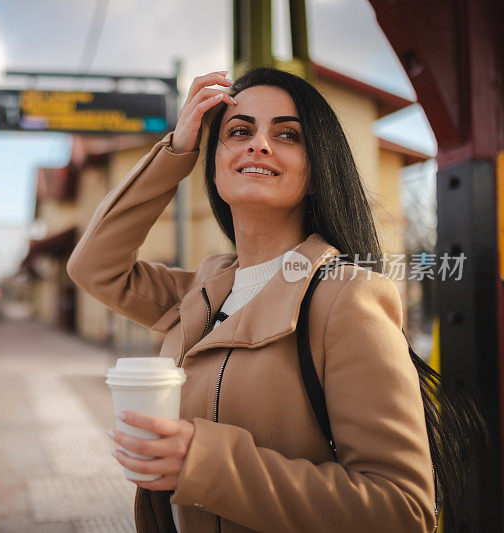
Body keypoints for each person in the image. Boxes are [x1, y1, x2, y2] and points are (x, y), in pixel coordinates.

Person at [67, 67, 486, 532]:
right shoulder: (202, 291)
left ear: (315, 170)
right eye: (239, 130)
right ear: (214, 163)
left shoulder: (346, 298)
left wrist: (202, 464)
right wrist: (177, 150)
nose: (258, 144)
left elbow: (401, 509)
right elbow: (93, 266)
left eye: (287, 135)